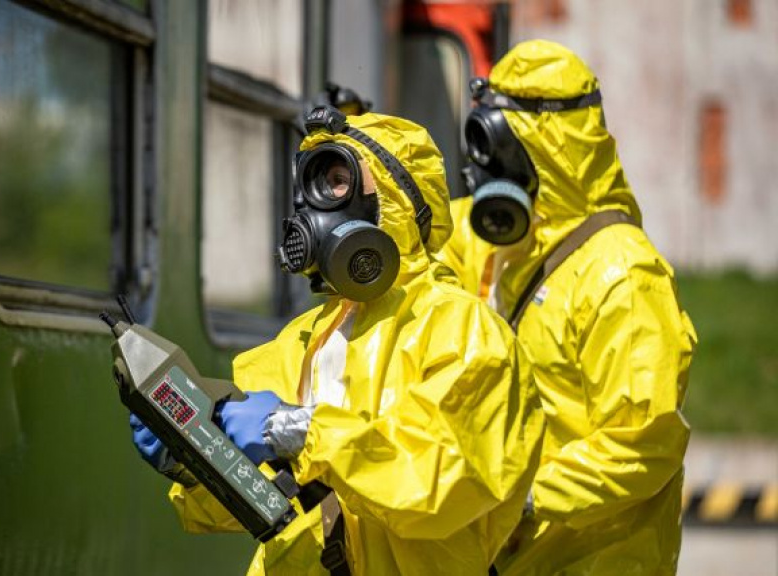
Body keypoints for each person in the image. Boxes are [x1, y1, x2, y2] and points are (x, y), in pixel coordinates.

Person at [131, 106, 545, 575]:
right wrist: (194, 458)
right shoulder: (303, 340)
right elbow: (262, 500)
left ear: (394, 196)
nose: (318, 204)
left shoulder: (464, 331)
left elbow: (443, 484)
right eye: (315, 183)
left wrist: (301, 433)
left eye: (339, 181)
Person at [435, 39, 697, 575]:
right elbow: (430, 237)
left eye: (495, 149)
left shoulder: (623, 275)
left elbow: (643, 444)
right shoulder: (511, 245)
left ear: (540, 147)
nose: (484, 170)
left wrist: (523, 496)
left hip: (596, 560)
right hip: (517, 556)